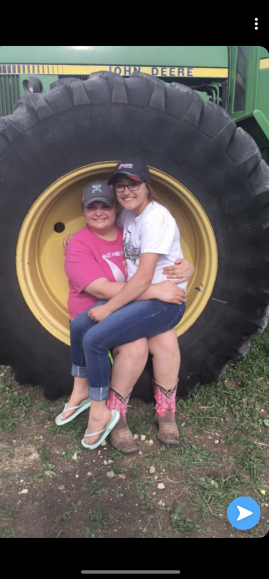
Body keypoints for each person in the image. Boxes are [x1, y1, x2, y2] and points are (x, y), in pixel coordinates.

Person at [61, 159, 193, 450]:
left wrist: (108, 308)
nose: (126, 191)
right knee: (81, 325)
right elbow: (104, 228)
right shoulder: (129, 216)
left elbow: (145, 277)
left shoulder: (154, 217)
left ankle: (148, 414)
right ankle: (85, 394)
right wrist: (74, 238)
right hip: (143, 297)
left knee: (96, 338)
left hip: (165, 301)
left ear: (147, 187)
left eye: (133, 184)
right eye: (120, 186)